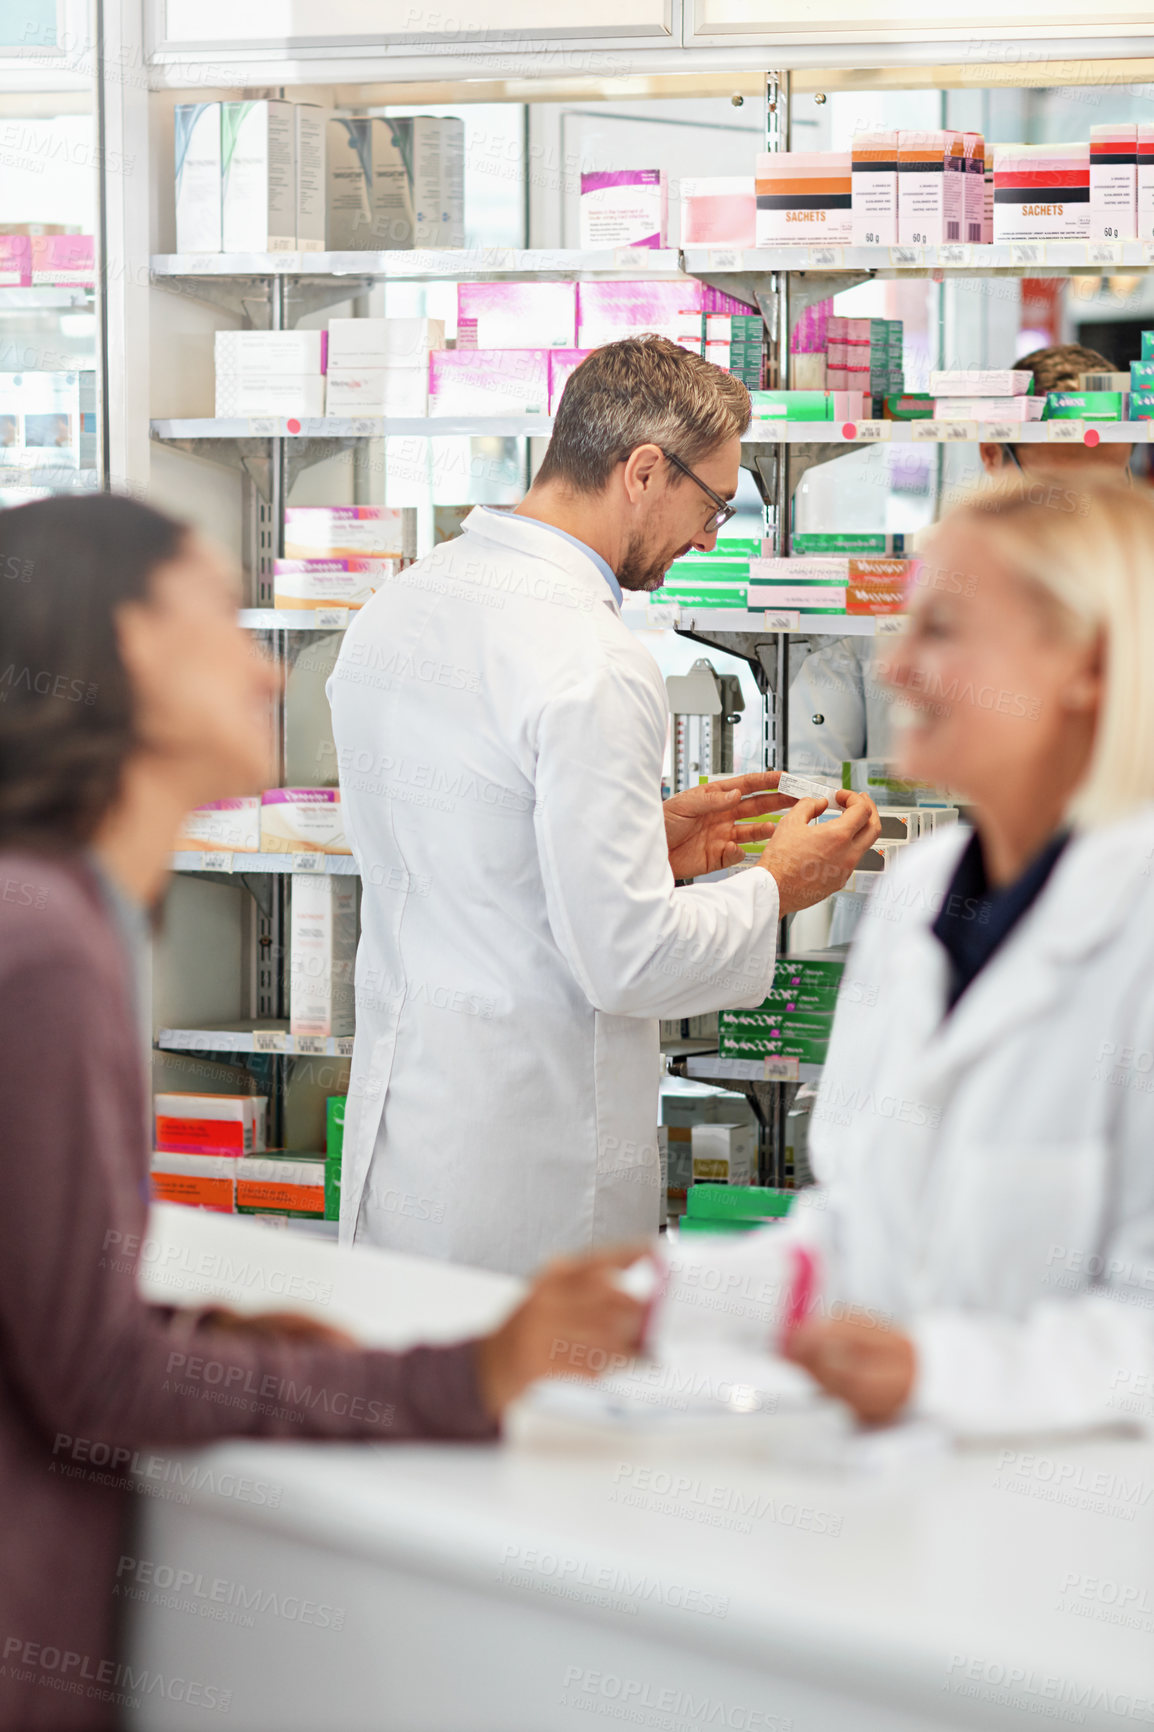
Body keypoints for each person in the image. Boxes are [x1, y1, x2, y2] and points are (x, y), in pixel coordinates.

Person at [0, 494, 647, 1732]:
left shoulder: (54, 910)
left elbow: (41, 1302)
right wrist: (472, 1374)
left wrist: (248, 1334)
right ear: (129, 648)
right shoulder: (46, 942)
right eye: (214, 625)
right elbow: (92, 1375)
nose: (258, 667)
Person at [328, 336, 880, 1277]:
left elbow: (475, 854)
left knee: (410, 1401)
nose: (711, 535)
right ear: (643, 471)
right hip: (531, 1167)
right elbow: (627, 963)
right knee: (539, 1417)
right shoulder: (592, 656)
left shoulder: (402, 603)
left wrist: (647, 846)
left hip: (408, 1129)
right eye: (712, 503)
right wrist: (779, 885)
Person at [775, 472, 1154, 1434]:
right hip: (897, 1517)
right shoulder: (920, 888)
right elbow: (853, 1225)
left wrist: (933, 1373)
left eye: (941, 630)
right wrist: (662, 1295)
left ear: (1090, 665)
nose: (894, 668)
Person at [789, 342, 1132, 775]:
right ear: (991, 453)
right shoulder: (883, 591)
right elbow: (810, 789)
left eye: (1105, 488)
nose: (1079, 513)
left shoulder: (1136, 596)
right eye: (1053, 491)